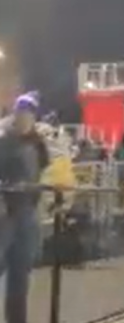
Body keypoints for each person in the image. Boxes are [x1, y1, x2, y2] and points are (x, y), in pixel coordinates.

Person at [0, 93, 50, 323]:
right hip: (4, 213)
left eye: (29, 113)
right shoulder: (3, 138)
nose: (24, 117)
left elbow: (43, 171)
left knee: (20, 275)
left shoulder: (37, 142)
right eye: (21, 112)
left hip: (26, 214)